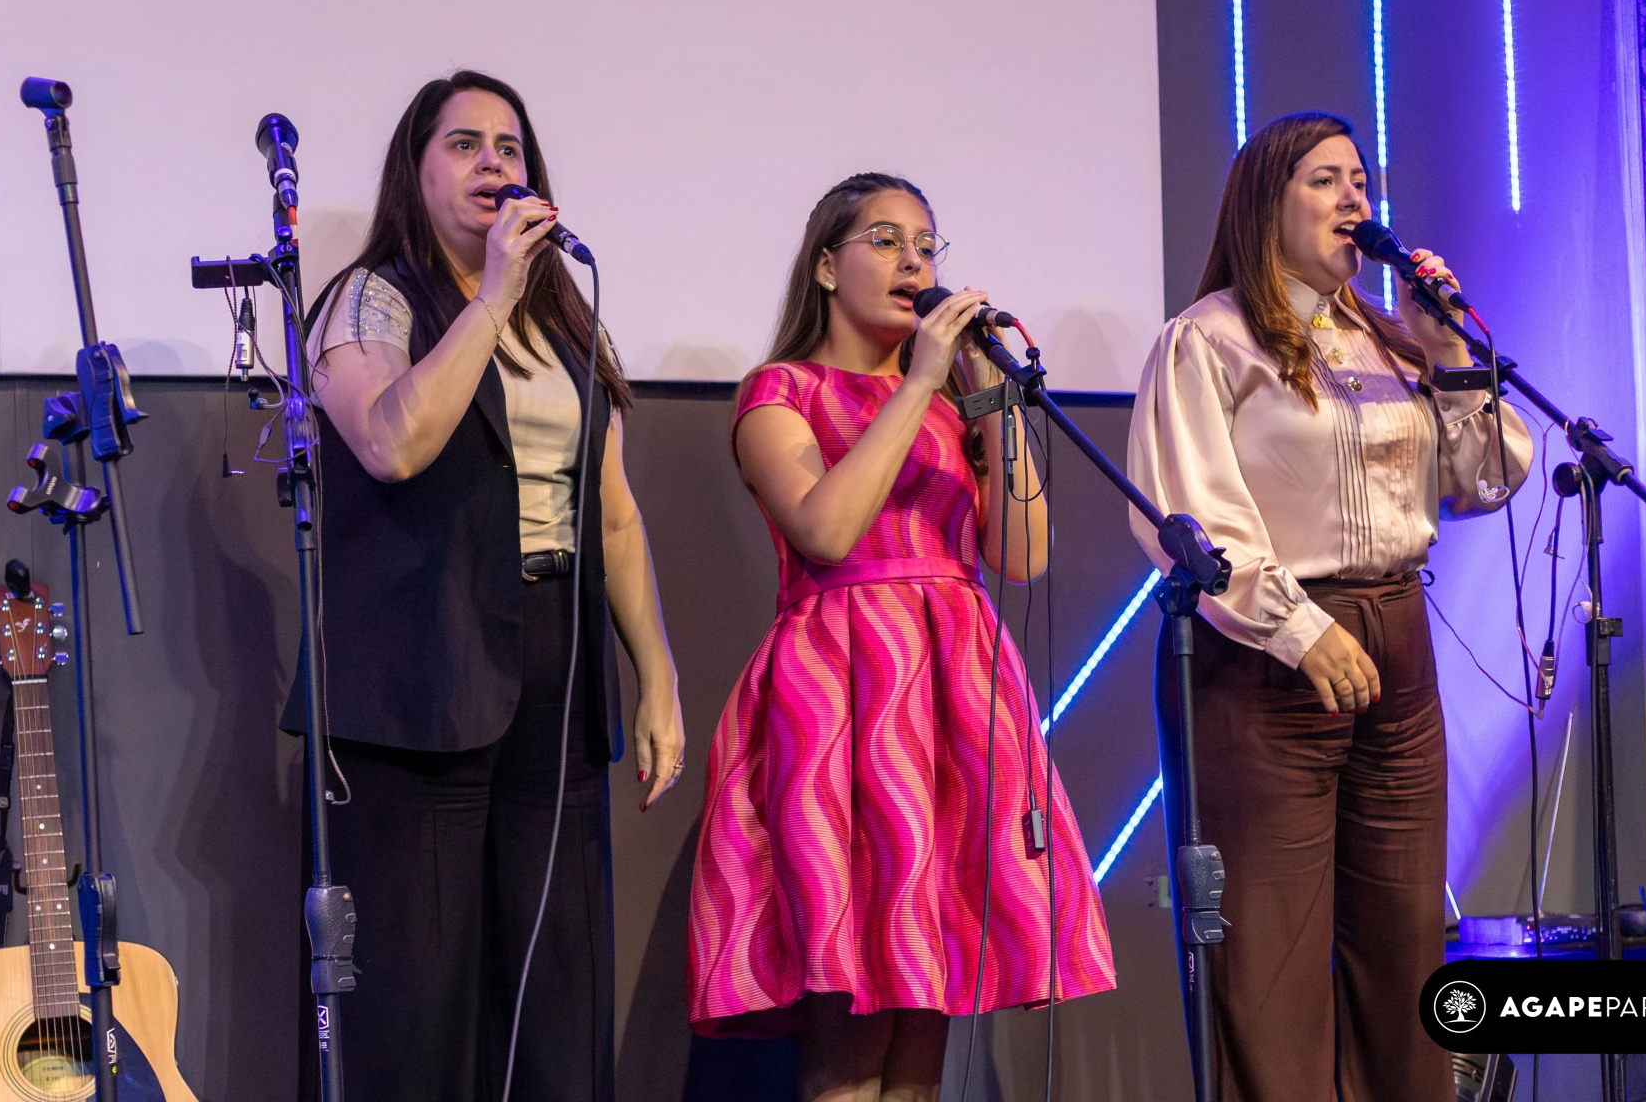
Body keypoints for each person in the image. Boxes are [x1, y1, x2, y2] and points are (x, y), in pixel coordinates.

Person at [291, 69, 686, 1101]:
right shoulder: (367, 299)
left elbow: (614, 512)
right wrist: (492, 297)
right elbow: (392, 443)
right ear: (415, 170)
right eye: (464, 144)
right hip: (422, 676)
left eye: (509, 147)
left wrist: (655, 676)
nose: (493, 163)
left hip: (556, 670)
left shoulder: (566, 320)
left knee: (558, 997)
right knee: (418, 1004)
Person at [1127, 111, 1533, 1100]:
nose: (1355, 197)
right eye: (1325, 179)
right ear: (1267, 203)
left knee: (1404, 945)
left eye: (1360, 179)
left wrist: (1446, 349)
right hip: (1268, 657)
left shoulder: (1392, 339)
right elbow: (1190, 515)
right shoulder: (1207, 338)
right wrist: (1299, 628)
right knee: (1272, 960)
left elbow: (1484, 480)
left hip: (1397, 642)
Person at [687, 172, 1117, 1102]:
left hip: (955, 694)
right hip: (841, 699)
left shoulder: (956, 407)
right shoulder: (780, 391)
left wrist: (989, 403)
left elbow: (1024, 556)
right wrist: (919, 379)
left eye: (926, 245)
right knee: (850, 1025)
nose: (913, 262)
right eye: (884, 240)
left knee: (927, 1013)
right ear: (825, 266)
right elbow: (827, 531)